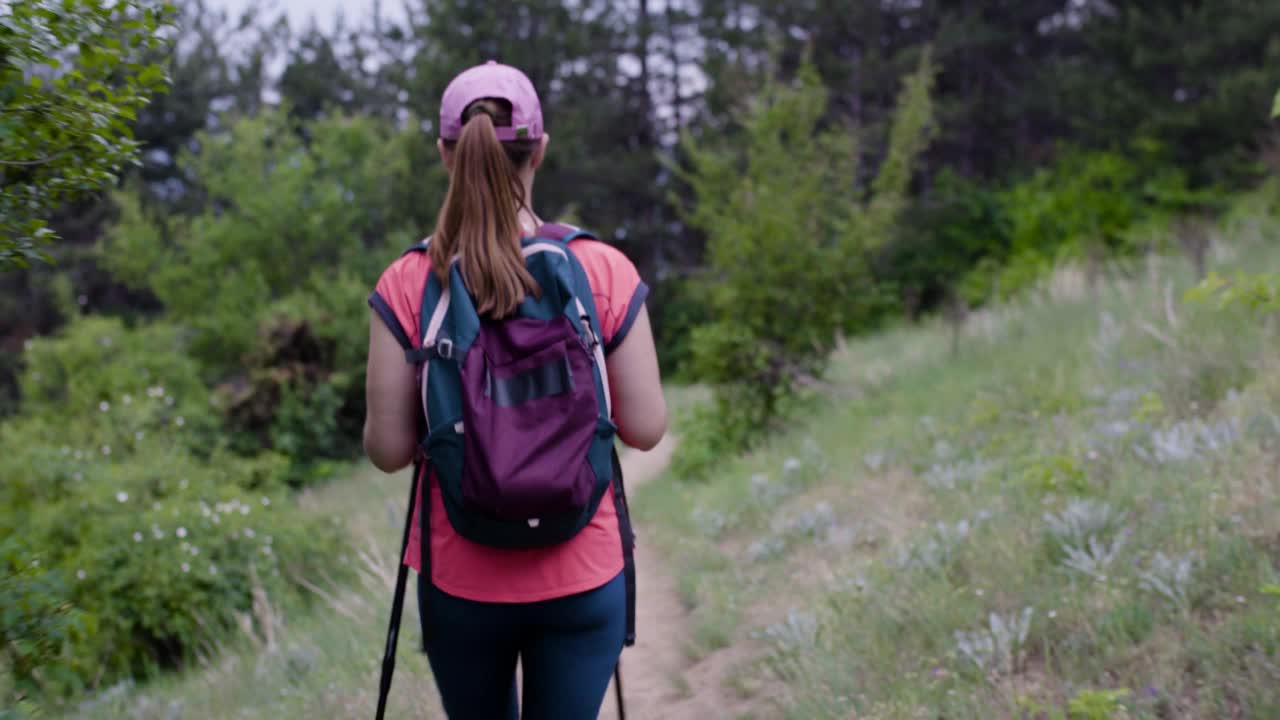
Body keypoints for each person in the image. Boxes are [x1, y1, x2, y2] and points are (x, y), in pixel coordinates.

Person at [362, 60, 667, 719]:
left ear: (448, 153)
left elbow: (388, 451)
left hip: (460, 579)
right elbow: (645, 427)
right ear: (541, 149)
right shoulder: (601, 268)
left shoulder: (408, 283)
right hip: (584, 570)